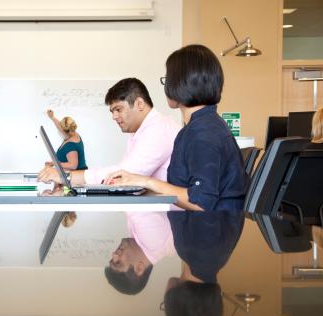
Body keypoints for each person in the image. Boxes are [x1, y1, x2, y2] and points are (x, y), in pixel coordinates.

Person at [105, 45, 248, 211]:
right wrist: (139, 181)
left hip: (207, 232)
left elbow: (200, 202)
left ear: (182, 84)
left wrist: (146, 181)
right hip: (206, 229)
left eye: (168, 80)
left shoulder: (203, 133)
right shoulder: (203, 126)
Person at [38, 78, 180, 186]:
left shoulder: (158, 130)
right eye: (112, 111)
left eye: (118, 109)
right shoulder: (139, 131)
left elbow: (124, 174)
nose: (114, 117)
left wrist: (66, 177)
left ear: (139, 104)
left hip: (161, 218)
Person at [162, 210, 244, 316]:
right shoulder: (192, 248)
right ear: (180, 305)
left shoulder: (218, 259)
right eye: (167, 309)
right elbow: (203, 192)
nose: (165, 303)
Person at [105, 212, 175, 295]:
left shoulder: (144, 245)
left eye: (112, 259)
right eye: (118, 263)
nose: (114, 255)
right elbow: (131, 200)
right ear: (139, 268)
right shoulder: (152, 240)